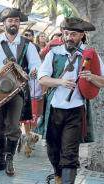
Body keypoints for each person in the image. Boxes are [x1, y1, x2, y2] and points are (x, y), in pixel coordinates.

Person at [37, 17, 104, 184]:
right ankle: (59, 178)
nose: (68, 37)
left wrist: (92, 77)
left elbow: (102, 81)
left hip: (76, 110)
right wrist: (60, 82)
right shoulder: (54, 53)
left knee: (70, 153)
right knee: (53, 150)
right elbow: (42, 79)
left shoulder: (90, 55)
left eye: (73, 34)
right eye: (66, 33)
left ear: (82, 35)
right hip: (54, 110)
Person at [0, 8, 41, 176]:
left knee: (13, 126)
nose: (13, 23)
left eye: (16, 21)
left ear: (19, 23)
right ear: (3, 23)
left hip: (17, 90)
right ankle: (0, 159)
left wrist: (34, 71)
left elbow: (36, 64)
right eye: (10, 21)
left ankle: (9, 160)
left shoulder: (27, 44)